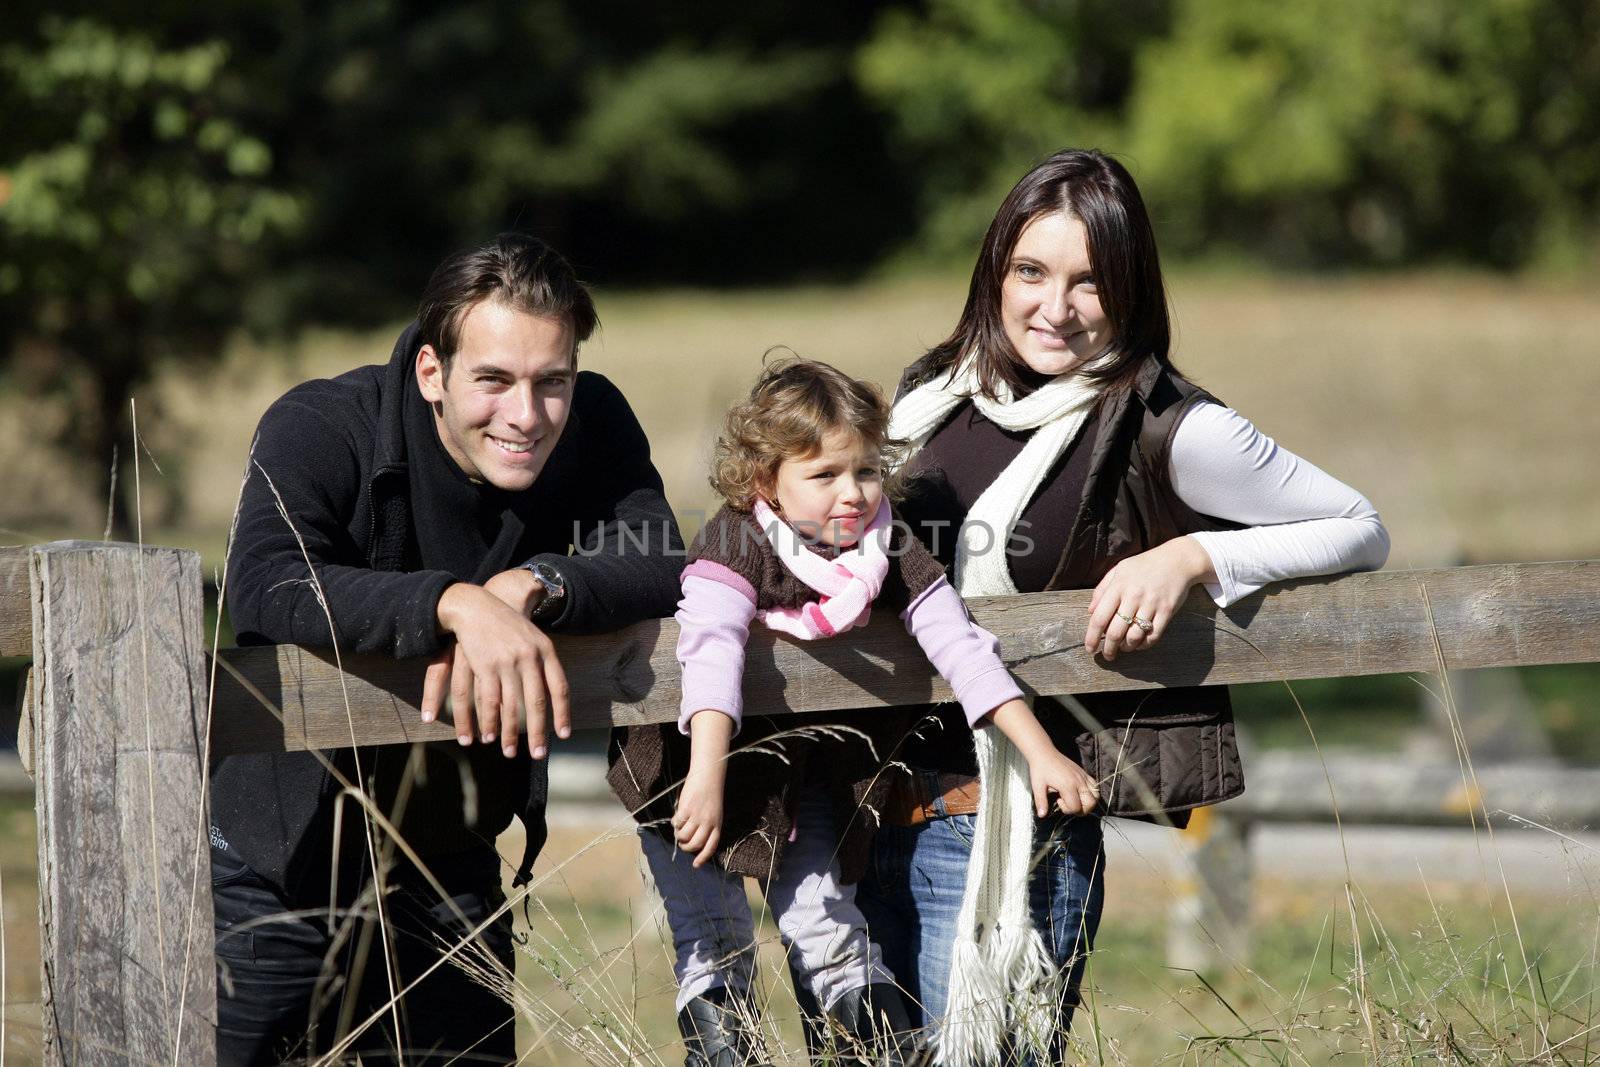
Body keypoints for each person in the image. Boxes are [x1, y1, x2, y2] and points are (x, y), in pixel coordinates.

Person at [855, 149, 1392, 1064]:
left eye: (1089, 283)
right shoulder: (931, 397)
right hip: (867, 818)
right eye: (1030, 271)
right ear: (995, 269)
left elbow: (1358, 527)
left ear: (1131, 290)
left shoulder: (1163, 423)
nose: (1052, 308)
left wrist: (1191, 556)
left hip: (1010, 839)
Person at [213, 232, 683, 1065]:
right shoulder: (320, 425)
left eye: (552, 382)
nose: (527, 415)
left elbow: (657, 554)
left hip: (452, 868)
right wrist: (450, 602)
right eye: (493, 380)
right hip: (274, 869)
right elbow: (267, 582)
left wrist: (533, 585)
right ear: (432, 371)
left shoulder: (594, 420)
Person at [606, 358, 1098, 1066]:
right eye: (824, 474)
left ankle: (881, 1053)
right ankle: (727, 1054)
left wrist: (1039, 750)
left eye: (866, 470)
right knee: (714, 939)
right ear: (764, 481)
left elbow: (961, 646)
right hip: (689, 769)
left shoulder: (888, 544)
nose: (853, 493)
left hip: (795, 781)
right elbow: (710, 655)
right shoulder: (736, 538)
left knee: (828, 923)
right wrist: (706, 777)